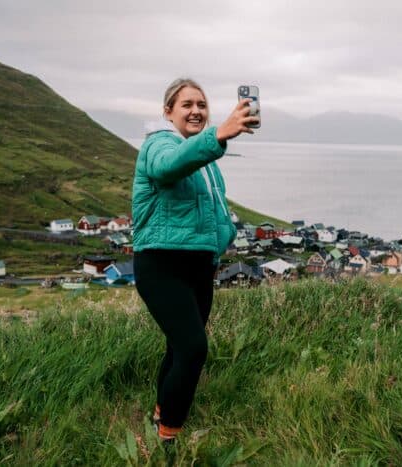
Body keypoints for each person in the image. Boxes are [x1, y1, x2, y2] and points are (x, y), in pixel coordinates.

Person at [131, 78, 258, 444]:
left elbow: (215, 210)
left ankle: (161, 412)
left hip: (199, 266)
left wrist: (218, 249)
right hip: (161, 264)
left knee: (178, 345)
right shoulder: (158, 144)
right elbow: (168, 168)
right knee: (193, 347)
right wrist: (218, 136)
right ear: (168, 111)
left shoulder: (206, 162)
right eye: (186, 104)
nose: (196, 111)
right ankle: (168, 436)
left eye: (202, 105)